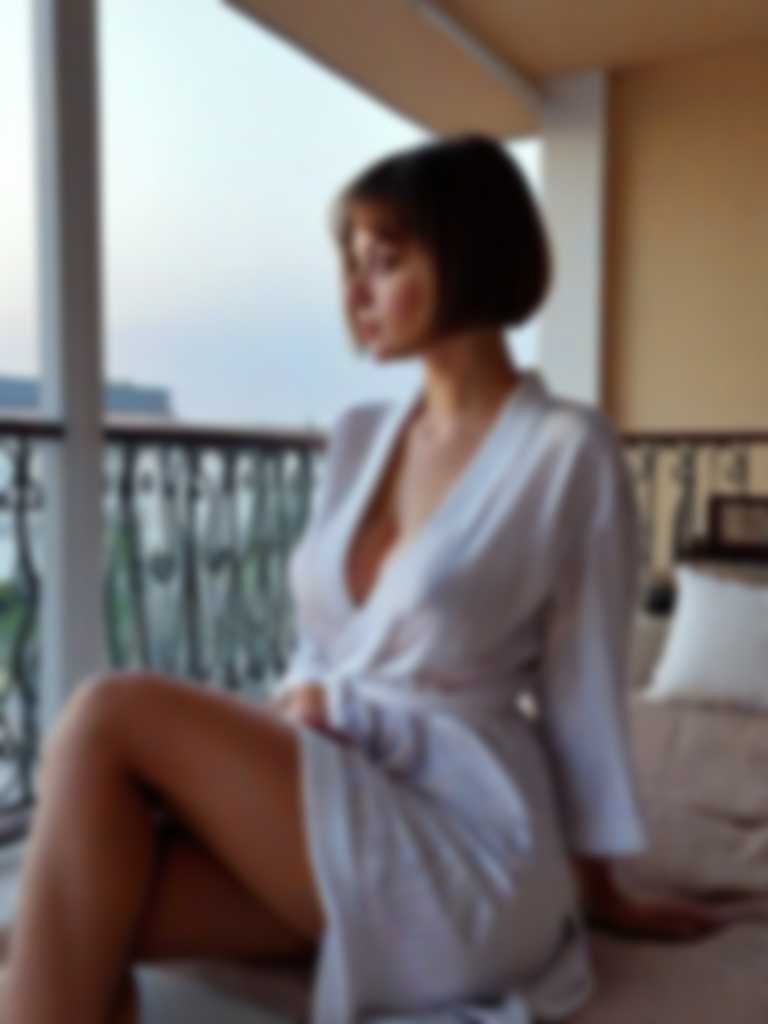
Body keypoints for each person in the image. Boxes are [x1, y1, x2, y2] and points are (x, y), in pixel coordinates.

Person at [0, 134, 732, 1024]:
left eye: (383, 263)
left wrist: (603, 886)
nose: (355, 294)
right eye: (351, 265)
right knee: (84, 911)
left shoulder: (567, 451)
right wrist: (298, 706)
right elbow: (322, 642)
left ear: (467, 255)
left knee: (108, 714)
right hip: (342, 779)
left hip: (468, 836)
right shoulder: (358, 437)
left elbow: (581, 688)